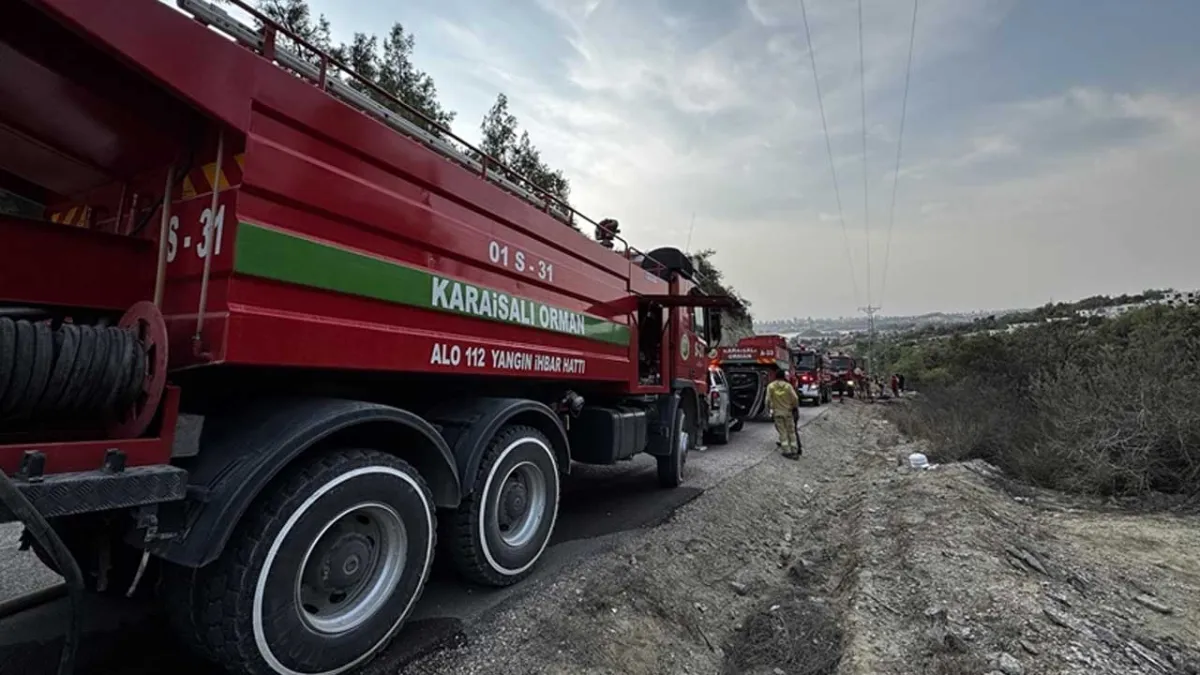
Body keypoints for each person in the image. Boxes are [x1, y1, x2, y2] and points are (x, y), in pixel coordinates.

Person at [766, 367, 801, 458]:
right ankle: (794, 450)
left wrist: (769, 408)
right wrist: (794, 407)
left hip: (777, 413)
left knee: (782, 432)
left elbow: (767, 400)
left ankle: (786, 451)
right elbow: (795, 398)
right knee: (791, 431)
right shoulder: (788, 386)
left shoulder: (771, 386)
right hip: (788, 413)